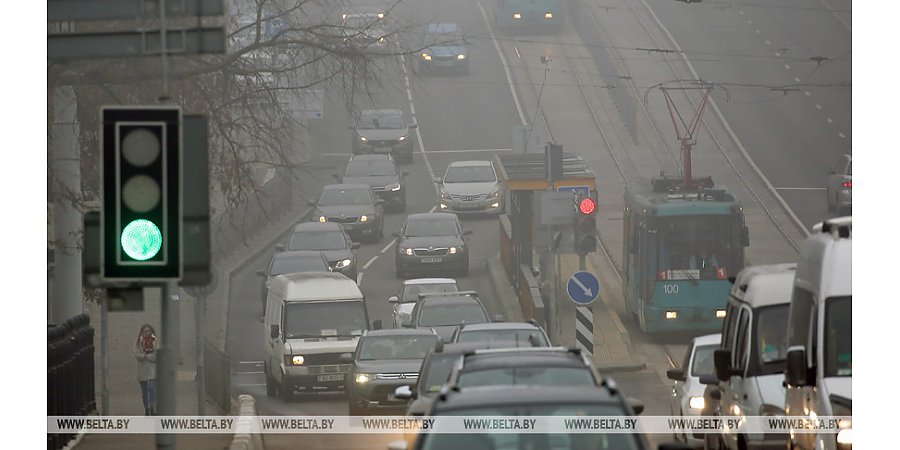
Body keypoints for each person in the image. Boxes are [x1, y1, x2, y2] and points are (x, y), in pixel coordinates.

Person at [135, 324, 158, 416]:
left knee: (152, 389)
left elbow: (157, 355)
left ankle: (153, 408)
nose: (146, 333)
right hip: (142, 370)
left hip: (152, 370)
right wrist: (144, 356)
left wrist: (148, 357)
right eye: (145, 331)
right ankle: (147, 409)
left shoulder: (155, 341)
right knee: (145, 391)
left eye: (148, 331)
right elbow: (136, 354)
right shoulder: (138, 342)